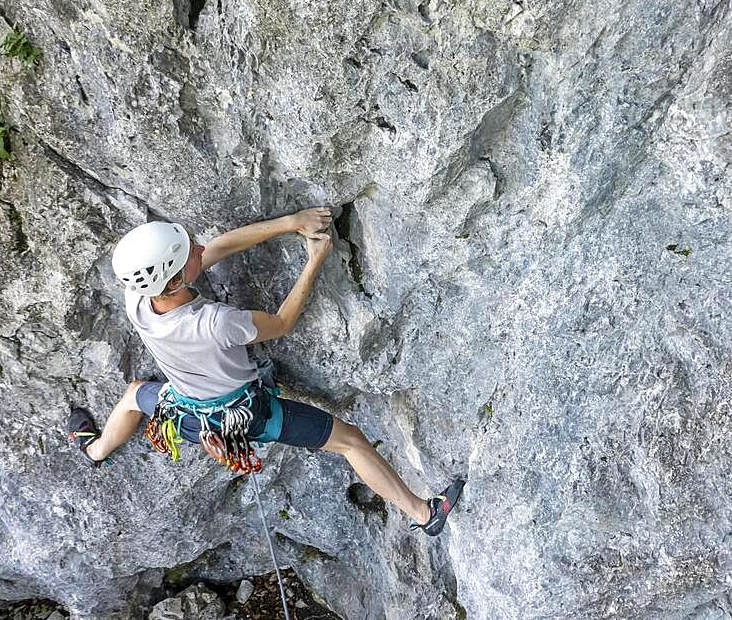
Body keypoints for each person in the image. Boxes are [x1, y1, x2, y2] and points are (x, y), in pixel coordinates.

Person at [66, 208, 463, 536]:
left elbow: (218, 247)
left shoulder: (137, 299)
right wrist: (313, 262)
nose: (200, 248)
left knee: (137, 393)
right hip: (246, 416)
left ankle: (95, 449)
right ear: (175, 280)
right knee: (352, 442)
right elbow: (282, 322)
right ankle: (426, 514)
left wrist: (293, 222)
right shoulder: (215, 323)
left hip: (184, 413)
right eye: (190, 253)